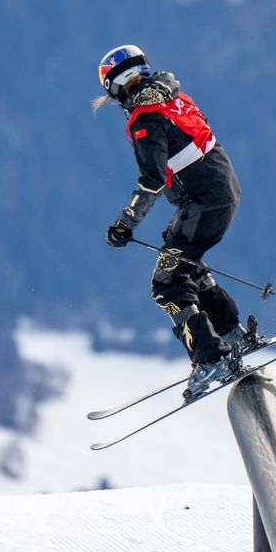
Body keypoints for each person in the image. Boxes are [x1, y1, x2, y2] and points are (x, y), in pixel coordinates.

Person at [95, 44, 251, 397]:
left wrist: (125, 224)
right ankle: (231, 333)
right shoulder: (173, 96)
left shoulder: (146, 120)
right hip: (221, 194)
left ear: (119, 87)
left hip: (203, 203)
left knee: (166, 283)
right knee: (182, 260)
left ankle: (211, 359)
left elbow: (152, 180)